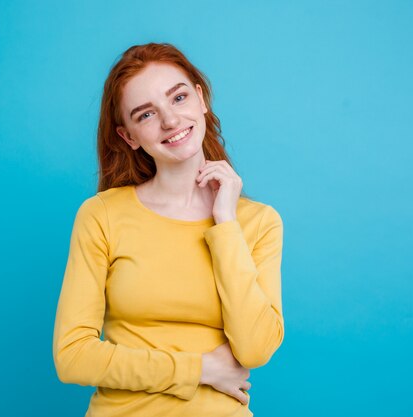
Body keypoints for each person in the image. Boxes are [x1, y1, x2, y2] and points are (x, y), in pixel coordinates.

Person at [53, 42, 285, 417]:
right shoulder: (102, 215)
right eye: (145, 115)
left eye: (178, 98)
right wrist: (200, 370)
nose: (171, 121)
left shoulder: (258, 223)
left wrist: (225, 222)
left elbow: (255, 349)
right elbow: (72, 355)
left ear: (200, 98)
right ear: (129, 136)